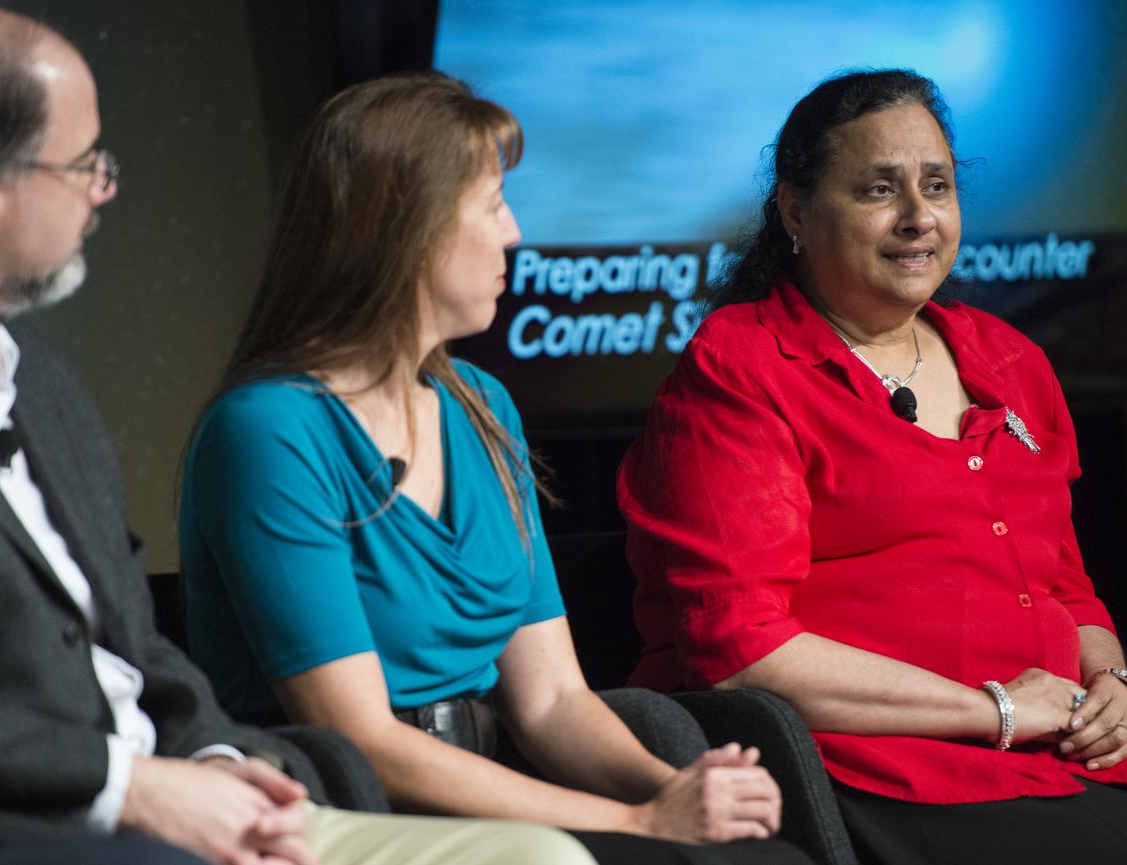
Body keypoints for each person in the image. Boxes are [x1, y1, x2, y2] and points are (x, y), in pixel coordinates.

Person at [0, 4, 603, 864]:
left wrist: (218, 758)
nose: (104, 187)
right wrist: (137, 784)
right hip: (50, 820)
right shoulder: (268, 427)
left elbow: (139, 644)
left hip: (196, 782)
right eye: (83, 163)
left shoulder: (42, 387)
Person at [179, 72, 808, 865]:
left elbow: (551, 700)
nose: (514, 233)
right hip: (349, 814)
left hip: (495, 791)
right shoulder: (271, 429)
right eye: (492, 202)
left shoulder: (480, 402)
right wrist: (641, 824)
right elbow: (362, 741)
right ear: (403, 227)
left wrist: (675, 793)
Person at [616, 68, 1127, 864]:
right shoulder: (742, 366)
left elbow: (1064, 587)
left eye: (935, 186)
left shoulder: (1011, 361)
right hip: (873, 769)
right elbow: (741, 648)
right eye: (879, 189)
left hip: (1060, 757)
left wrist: (1116, 685)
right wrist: (995, 710)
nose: (917, 218)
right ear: (796, 213)